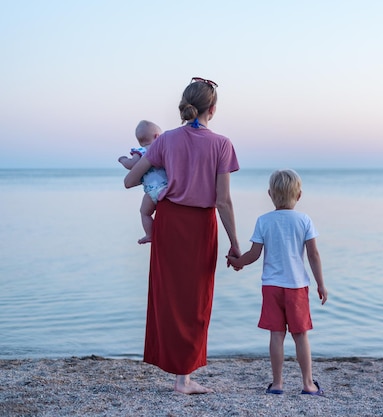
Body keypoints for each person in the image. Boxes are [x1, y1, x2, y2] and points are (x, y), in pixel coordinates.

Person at [124, 77, 241, 394]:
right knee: (197, 300)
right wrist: (235, 243)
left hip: (169, 222)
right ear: (212, 109)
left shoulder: (165, 140)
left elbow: (130, 181)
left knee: (171, 299)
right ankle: (183, 380)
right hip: (201, 225)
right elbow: (223, 201)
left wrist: (154, 171)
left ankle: (181, 377)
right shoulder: (221, 144)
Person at [227, 169, 328, 396]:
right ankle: (308, 384)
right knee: (301, 335)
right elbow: (313, 255)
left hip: (271, 287)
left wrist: (237, 262)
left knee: (276, 334)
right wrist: (321, 284)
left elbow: (253, 255)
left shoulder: (264, 221)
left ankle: (278, 384)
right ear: (299, 195)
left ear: (270, 194)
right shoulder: (304, 220)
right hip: (297, 287)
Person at [118, 120, 167, 244]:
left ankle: (149, 234)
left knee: (144, 212)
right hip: (167, 187)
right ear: (157, 136)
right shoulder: (162, 150)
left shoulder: (139, 151)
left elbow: (131, 165)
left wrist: (123, 159)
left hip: (151, 191)